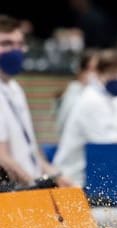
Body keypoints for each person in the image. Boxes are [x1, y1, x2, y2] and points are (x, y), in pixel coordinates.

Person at [0, 14, 74, 190]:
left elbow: (32, 152)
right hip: (16, 194)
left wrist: (57, 177)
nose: (15, 50)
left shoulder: (15, 89)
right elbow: (3, 157)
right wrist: (35, 186)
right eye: (6, 44)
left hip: (30, 187)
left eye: (19, 44)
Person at [53, 48, 117, 187]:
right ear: (99, 73)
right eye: (113, 73)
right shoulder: (90, 99)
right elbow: (105, 144)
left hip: (92, 176)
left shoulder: (112, 99)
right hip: (72, 179)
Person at [55, 47, 98, 136]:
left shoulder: (99, 94)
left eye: (97, 70)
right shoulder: (73, 93)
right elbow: (62, 126)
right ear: (80, 71)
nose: (94, 74)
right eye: (91, 69)